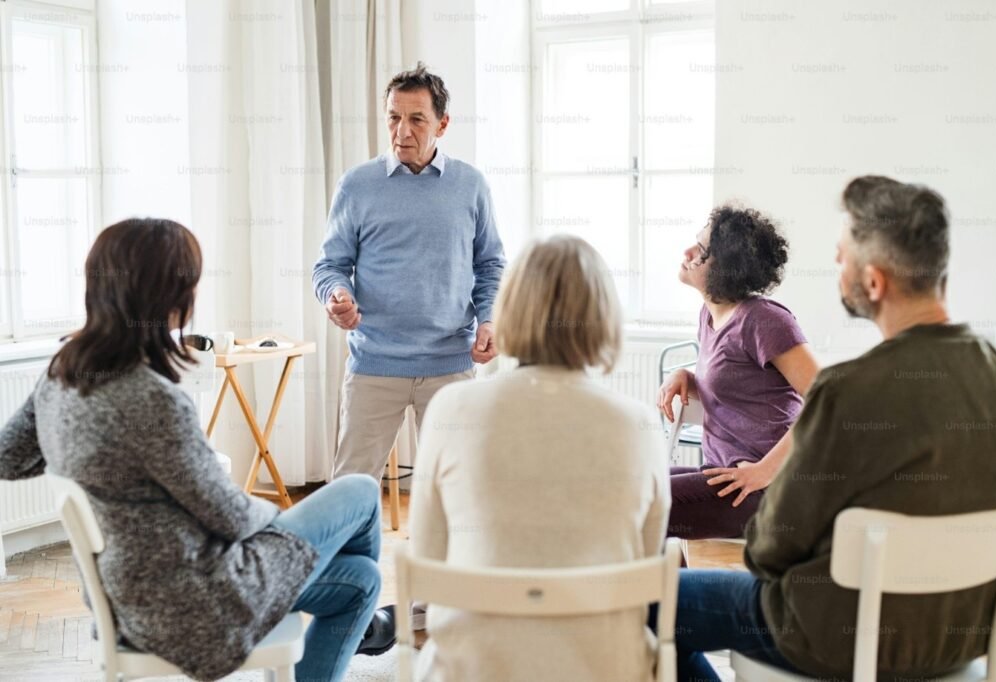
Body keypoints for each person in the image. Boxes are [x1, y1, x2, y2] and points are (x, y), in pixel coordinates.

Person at [660, 176, 996, 680]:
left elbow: (769, 549)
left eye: (843, 253)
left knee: (645, 602)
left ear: (873, 282)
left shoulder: (848, 391)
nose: (835, 261)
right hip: (959, 638)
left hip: (839, 634)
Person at [0, 219, 393, 682]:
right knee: (361, 490)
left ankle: (362, 621)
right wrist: (286, 529)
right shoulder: (150, 399)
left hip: (127, 596)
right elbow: (231, 517)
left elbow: (9, 458)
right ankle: (364, 623)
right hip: (199, 607)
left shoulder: (61, 374)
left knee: (361, 579)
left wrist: (83, 449)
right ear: (169, 296)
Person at [409, 236, 670, 682]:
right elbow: (644, 561)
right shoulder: (640, 425)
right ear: (603, 318)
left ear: (511, 308)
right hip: (605, 668)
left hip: (472, 668)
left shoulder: (452, 410)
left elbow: (427, 560)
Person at [312, 62, 506, 481]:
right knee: (350, 490)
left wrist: (488, 318)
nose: (403, 131)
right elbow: (330, 266)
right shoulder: (357, 185)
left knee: (457, 490)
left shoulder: (470, 185)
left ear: (443, 123)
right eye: (394, 118)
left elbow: (490, 264)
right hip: (374, 363)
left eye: (417, 119)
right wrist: (335, 296)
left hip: (450, 363)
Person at [657, 206, 818, 540]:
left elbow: (828, 399)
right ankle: (671, 590)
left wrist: (764, 472)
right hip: (722, 476)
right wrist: (688, 378)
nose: (688, 253)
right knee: (639, 483)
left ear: (726, 269)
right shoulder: (710, 315)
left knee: (640, 503)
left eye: (700, 251)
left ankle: (656, 591)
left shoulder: (764, 320)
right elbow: (735, 386)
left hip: (765, 491)